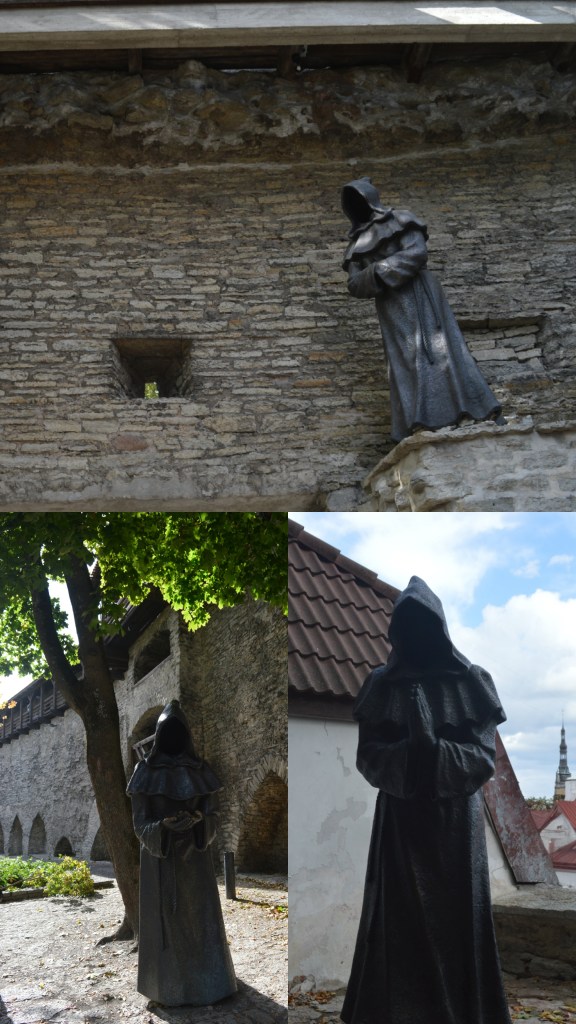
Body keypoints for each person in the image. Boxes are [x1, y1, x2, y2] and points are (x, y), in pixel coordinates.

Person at [341, 576, 512, 1024]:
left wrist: (433, 749)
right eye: (408, 625)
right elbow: (370, 757)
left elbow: (482, 758)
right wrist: (411, 751)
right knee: (399, 925)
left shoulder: (472, 682)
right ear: (396, 632)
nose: (416, 635)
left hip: (457, 827)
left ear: (439, 628)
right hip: (401, 825)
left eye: (425, 624)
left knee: (459, 924)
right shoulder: (381, 684)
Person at [341, 177, 503, 442]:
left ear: (370, 197)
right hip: (391, 305)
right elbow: (354, 284)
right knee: (404, 360)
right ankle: (418, 420)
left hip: (420, 294)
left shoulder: (402, 219)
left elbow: (416, 254)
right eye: (352, 203)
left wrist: (379, 270)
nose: (358, 205)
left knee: (441, 351)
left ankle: (468, 410)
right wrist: (379, 272)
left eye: (360, 198)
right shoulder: (356, 244)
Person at [126, 699, 237, 1007]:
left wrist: (199, 821)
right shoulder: (144, 771)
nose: (174, 736)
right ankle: (167, 988)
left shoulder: (201, 771)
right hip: (162, 862)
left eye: (179, 731)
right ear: (161, 735)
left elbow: (213, 813)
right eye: (168, 731)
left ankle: (209, 985)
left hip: (196, 862)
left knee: (201, 924)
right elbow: (139, 823)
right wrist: (163, 826)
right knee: (168, 926)